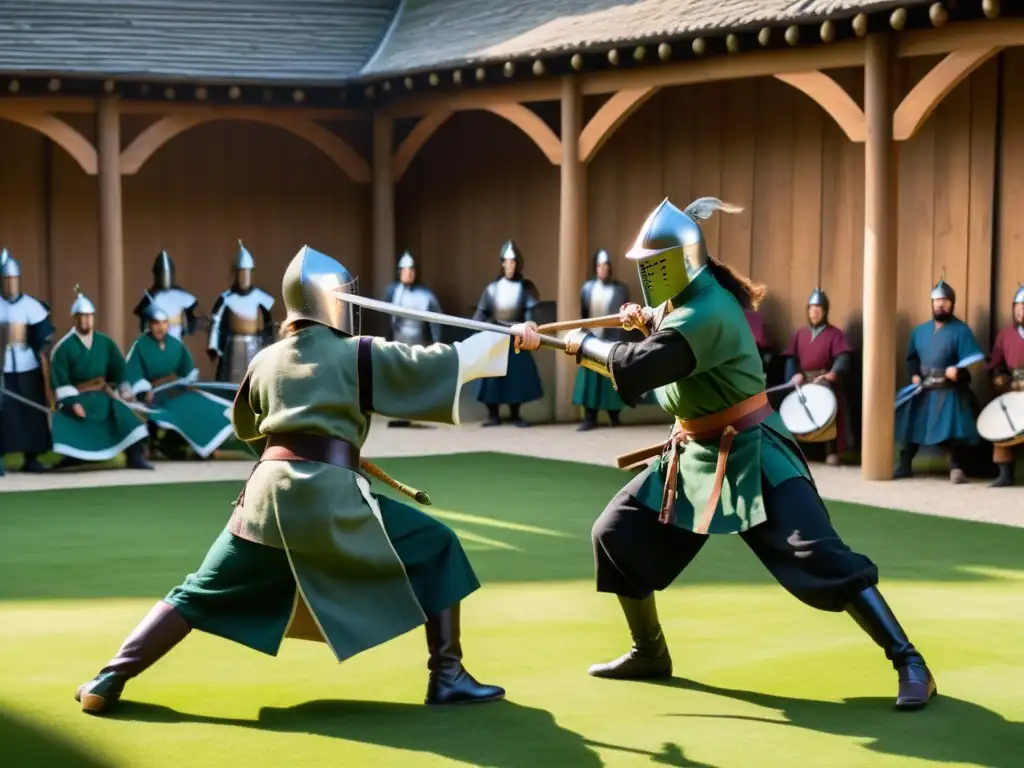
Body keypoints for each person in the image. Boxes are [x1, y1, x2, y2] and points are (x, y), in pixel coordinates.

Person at [75, 246, 530, 716]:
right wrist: (512, 338)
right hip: (331, 498)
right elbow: (448, 362)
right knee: (438, 546)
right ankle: (448, 676)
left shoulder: (265, 360)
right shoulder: (359, 353)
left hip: (263, 499)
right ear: (335, 301)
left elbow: (251, 429)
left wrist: (307, 443)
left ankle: (108, 677)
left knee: (195, 592)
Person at [519, 197, 935, 711]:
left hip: (753, 452)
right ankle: (649, 652)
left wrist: (566, 344)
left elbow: (637, 368)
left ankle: (909, 660)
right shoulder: (681, 300)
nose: (647, 274)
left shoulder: (706, 309)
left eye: (654, 264)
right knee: (616, 533)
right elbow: (661, 329)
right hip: (691, 456)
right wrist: (645, 318)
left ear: (680, 261)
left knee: (818, 552)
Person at [49, 287, 151, 470]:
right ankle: (73, 456)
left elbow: (119, 369)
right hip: (79, 396)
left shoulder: (105, 342)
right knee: (71, 422)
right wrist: (72, 402)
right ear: (75, 318)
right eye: (81, 316)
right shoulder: (64, 347)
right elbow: (60, 379)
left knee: (127, 416)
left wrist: (124, 389)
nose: (86, 320)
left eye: (89, 316)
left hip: (103, 394)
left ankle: (135, 457)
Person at [894, 278, 984, 483]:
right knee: (912, 423)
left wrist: (958, 371)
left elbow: (973, 363)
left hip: (948, 389)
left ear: (952, 303)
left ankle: (956, 468)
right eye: (937, 301)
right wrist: (914, 374)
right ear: (932, 304)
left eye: (945, 301)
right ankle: (905, 464)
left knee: (949, 428)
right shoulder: (920, 331)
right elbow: (912, 358)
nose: (940, 305)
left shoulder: (961, 331)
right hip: (923, 388)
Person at [125, 302, 234, 461]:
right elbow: (133, 373)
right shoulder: (140, 345)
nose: (160, 327)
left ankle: (187, 444)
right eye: (156, 323)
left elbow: (188, 371)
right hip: (152, 394)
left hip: (174, 391)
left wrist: (188, 382)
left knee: (198, 403)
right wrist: (143, 392)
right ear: (149, 325)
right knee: (171, 411)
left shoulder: (176, 345)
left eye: (163, 323)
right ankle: (159, 445)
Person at [472, 240, 544, 427]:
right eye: (507, 261)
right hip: (495, 337)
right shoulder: (492, 289)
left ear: (517, 264)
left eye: (513, 262)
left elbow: (529, 315)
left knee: (516, 378)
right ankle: (493, 415)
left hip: (516, 339)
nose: (510, 265)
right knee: (492, 379)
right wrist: (481, 325)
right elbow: (481, 313)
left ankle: (515, 413)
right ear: (502, 263)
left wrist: (528, 325)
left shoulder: (523, 289)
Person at [782, 288, 854, 466]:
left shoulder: (835, 334)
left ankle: (832, 451)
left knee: (828, 407)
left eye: (818, 308)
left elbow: (843, 358)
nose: (814, 312)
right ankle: (799, 450)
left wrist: (833, 374)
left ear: (825, 311)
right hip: (803, 380)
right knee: (794, 407)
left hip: (823, 380)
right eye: (811, 308)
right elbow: (791, 358)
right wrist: (794, 375)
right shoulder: (800, 334)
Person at [0, 249, 54, 475]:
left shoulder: (32, 305)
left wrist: (41, 340)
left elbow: (43, 334)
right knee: (4, 413)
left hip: (27, 365)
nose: (11, 285)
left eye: (14, 280)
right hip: (3, 368)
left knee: (31, 412)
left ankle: (31, 457)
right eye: (6, 280)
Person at [382, 251, 443, 428]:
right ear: (399, 271)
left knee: (414, 380)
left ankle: (412, 412)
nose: (408, 273)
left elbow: (436, 320)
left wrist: (436, 341)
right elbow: (385, 316)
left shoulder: (426, 295)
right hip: (396, 342)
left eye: (411, 270)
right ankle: (401, 415)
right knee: (398, 380)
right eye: (404, 270)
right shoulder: (392, 292)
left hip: (417, 342)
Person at [572, 249, 630, 431]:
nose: (603, 270)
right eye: (599, 266)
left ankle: (614, 417)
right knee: (590, 381)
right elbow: (583, 313)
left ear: (610, 268)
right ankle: (590, 418)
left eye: (605, 266)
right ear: (595, 269)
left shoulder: (620, 289)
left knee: (612, 379)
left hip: (611, 340)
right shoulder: (587, 289)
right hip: (590, 339)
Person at [207, 240, 275, 383]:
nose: (244, 277)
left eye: (247, 273)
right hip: (233, 347)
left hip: (255, 345)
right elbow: (216, 324)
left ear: (252, 273)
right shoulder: (225, 299)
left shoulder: (262, 298)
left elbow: (269, 325)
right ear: (235, 274)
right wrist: (214, 347)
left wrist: (270, 346)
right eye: (241, 273)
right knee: (231, 382)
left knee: (255, 383)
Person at [986, 284, 1024, 487]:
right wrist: (999, 378)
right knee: (999, 421)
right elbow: (996, 364)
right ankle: (1005, 472)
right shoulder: (1005, 335)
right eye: (1017, 306)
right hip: (1013, 390)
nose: (1021, 311)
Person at [132, 250, 200, 339]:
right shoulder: (150, 296)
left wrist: (188, 327)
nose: (165, 277)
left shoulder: (181, 295)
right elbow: (143, 319)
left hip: (176, 341)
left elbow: (193, 314)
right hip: (156, 342)